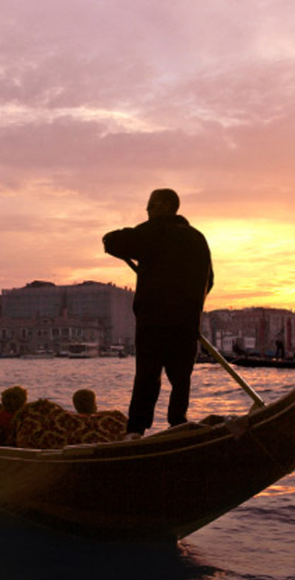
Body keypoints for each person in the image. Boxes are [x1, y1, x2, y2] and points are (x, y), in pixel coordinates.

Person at [102, 188, 213, 439]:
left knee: (147, 377)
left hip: (154, 319)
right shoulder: (198, 239)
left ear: (163, 206)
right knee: (181, 378)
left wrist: (107, 241)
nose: (147, 210)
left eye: (150, 205)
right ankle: (178, 422)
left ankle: (135, 431)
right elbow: (211, 280)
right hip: (187, 321)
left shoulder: (155, 230)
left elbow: (115, 241)